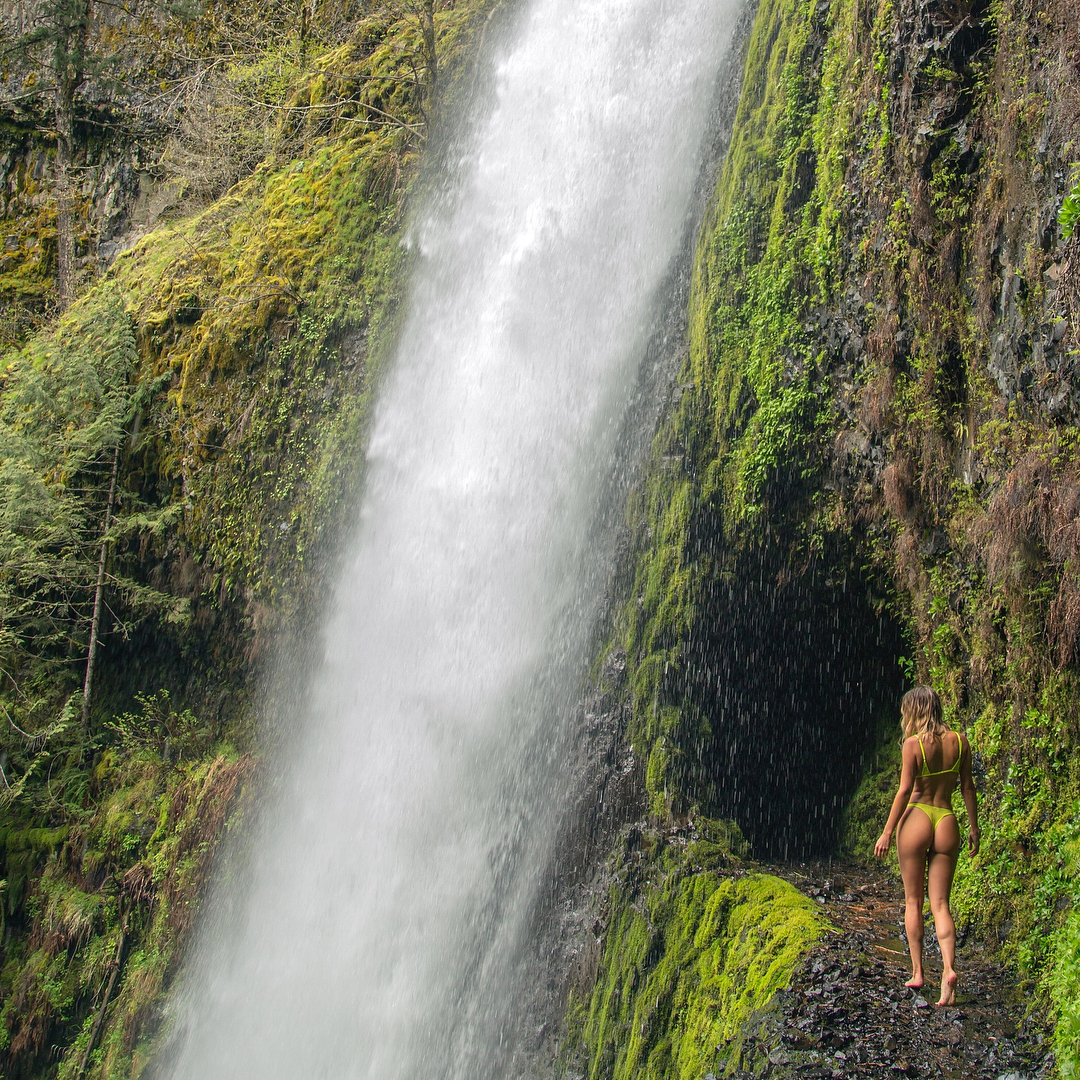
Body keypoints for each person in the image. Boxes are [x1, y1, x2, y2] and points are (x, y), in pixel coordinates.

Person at [873, 685, 979, 1007]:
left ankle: (918, 972)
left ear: (914, 711)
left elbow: (905, 791)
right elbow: (967, 787)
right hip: (946, 819)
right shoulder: (960, 742)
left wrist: (888, 831)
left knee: (913, 900)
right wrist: (974, 828)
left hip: (917, 818)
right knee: (941, 904)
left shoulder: (913, 745)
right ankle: (948, 969)